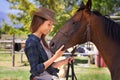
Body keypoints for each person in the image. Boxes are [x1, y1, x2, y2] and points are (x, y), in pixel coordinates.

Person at [24, 7, 73, 80]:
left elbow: (48, 67)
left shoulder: (42, 41)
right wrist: (55, 56)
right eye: (49, 24)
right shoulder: (31, 42)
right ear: (39, 22)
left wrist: (64, 61)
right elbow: (35, 70)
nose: (50, 28)